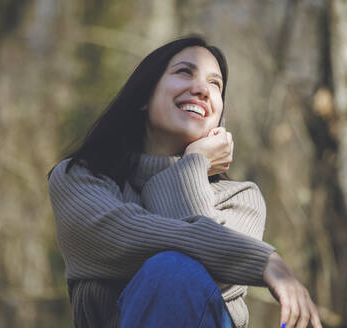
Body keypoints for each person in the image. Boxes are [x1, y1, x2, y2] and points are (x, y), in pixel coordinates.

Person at [48, 36, 322, 328]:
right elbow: (128, 237)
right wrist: (263, 261)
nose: (203, 89)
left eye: (215, 84)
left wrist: (189, 168)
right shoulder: (80, 178)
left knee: (174, 270)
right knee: (169, 267)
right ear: (143, 95)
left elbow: (204, 276)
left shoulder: (241, 198)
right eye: (184, 72)